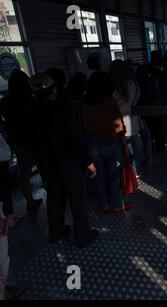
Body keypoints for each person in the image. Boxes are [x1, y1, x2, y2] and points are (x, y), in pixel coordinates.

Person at [30, 73, 99, 248]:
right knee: (77, 201)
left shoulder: (32, 111)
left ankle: (56, 232)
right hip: (69, 165)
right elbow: (75, 139)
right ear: (53, 89)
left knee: (54, 199)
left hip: (47, 165)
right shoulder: (62, 109)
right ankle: (83, 237)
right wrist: (88, 162)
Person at [82, 72, 134, 214]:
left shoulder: (83, 102)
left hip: (91, 142)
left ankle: (105, 204)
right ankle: (118, 204)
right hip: (109, 142)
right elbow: (118, 125)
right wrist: (124, 146)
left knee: (99, 175)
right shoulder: (109, 101)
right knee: (113, 175)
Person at [0, 70, 42, 219]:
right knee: (44, 168)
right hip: (35, 141)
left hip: (18, 142)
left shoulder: (4, 102)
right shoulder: (30, 100)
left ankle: (29, 200)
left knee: (24, 173)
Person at [110, 60, 141, 177]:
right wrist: (132, 106)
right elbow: (137, 95)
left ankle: (126, 174)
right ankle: (135, 171)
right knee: (134, 146)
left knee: (123, 148)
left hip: (118, 121)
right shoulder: (132, 82)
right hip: (131, 117)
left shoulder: (112, 87)